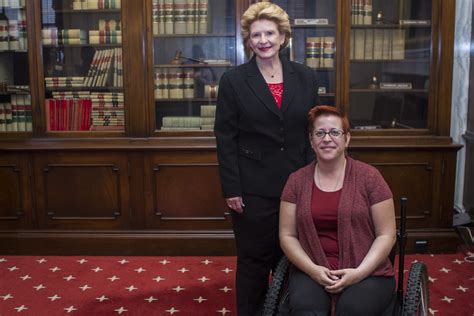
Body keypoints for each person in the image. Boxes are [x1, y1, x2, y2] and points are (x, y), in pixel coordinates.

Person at [214, 2, 320, 315]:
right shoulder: (233, 80)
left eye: (269, 33)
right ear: (248, 40)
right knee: (253, 259)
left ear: (283, 36)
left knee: (293, 258)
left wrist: (317, 179)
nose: (263, 40)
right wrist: (232, 188)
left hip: (298, 184)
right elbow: (225, 137)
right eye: (256, 34)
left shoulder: (306, 77)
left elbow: (311, 131)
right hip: (252, 189)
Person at [280, 106, 396, 315]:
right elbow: (287, 235)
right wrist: (313, 271)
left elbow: (386, 234)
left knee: (352, 309)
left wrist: (359, 273)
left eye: (334, 132)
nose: (327, 138)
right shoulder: (295, 181)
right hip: (312, 269)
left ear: (347, 139)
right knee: (307, 310)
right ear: (311, 140)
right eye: (320, 133)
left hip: (367, 271)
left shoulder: (370, 178)